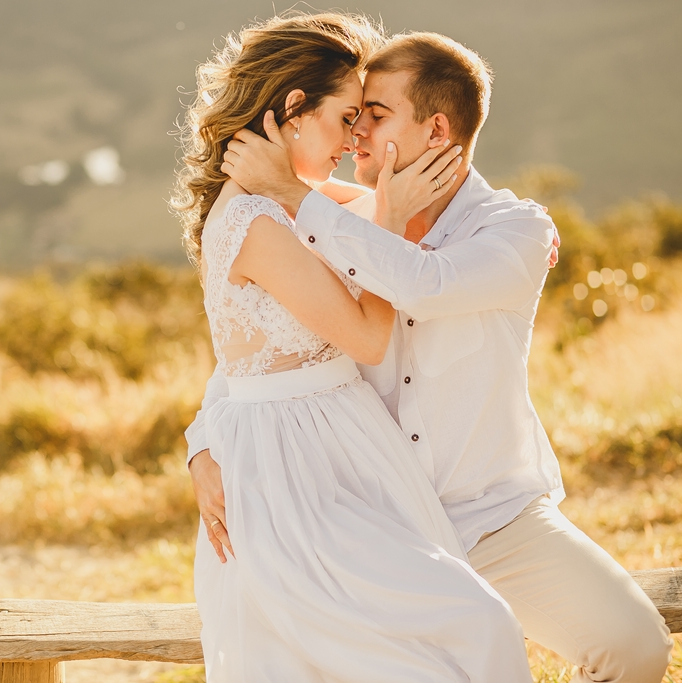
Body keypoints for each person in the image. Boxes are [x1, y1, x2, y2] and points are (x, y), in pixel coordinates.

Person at [192, 29, 674, 682]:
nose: (355, 134)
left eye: (375, 115)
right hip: (363, 514)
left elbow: (422, 282)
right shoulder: (331, 220)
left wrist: (304, 197)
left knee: (636, 646)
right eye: (351, 115)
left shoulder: (514, 231)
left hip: (489, 518)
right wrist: (202, 442)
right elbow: (267, 348)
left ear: (436, 127)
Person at [173, 13, 533, 681]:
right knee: (462, 625)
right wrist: (391, 220)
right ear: (293, 111)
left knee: (443, 628)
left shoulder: (291, 197)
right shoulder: (255, 220)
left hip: (338, 449)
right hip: (298, 476)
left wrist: (517, 232)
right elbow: (368, 337)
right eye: (345, 117)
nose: (352, 140)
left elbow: (362, 211)